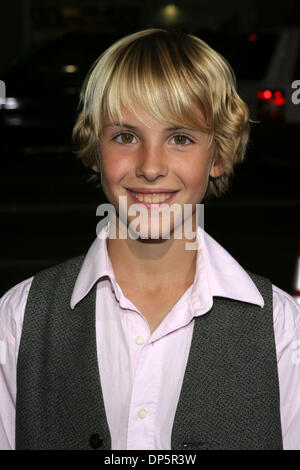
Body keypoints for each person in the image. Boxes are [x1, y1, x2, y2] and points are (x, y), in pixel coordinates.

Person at [0, 28, 299, 451]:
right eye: (126, 136)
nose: (151, 166)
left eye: (180, 138)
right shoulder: (17, 321)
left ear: (219, 153)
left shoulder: (283, 331)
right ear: (94, 147)